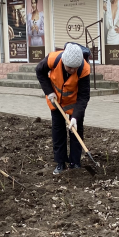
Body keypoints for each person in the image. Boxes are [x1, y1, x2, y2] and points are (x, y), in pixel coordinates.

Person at [36, 42, 91, 175]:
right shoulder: (52, 59)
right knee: (58, 131)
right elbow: (39, 71)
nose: (72, 70)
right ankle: (60, 163)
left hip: (74, 103)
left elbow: (84, 96)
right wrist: (49, 91)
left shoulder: (84, 69)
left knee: (76, 131)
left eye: (75, 68)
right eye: (69, 68)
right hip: (56, 101)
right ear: (63, 61)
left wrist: (76, 117)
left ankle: (75, 163)